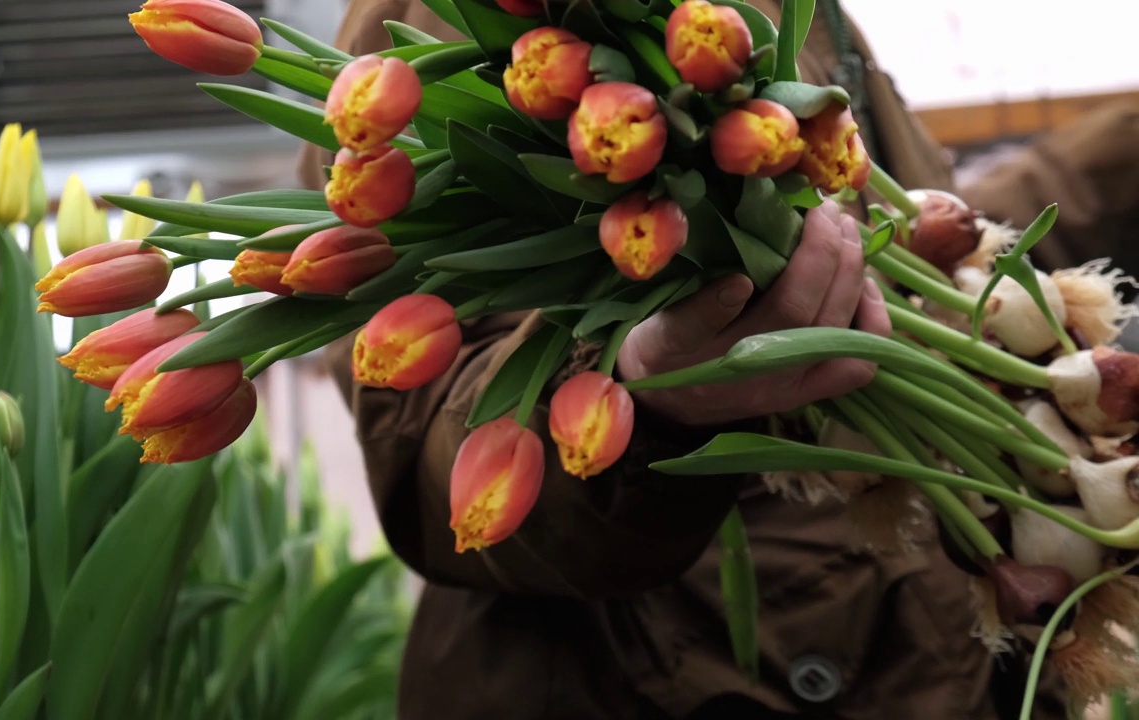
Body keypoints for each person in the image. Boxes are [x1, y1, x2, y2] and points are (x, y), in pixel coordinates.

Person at [300, 2, 1074, 717]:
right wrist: (656, 400)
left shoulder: (805, 19)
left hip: (914, 636)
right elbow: (421, 443)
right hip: (675, 666)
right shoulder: (438, 19)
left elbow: (901, 259)